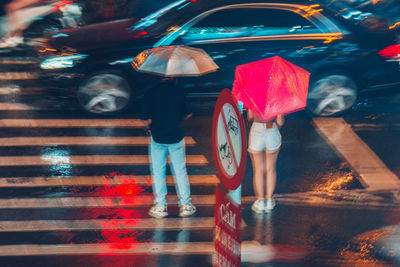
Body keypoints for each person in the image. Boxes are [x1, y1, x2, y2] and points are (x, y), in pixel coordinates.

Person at [141, 77, 196, 219]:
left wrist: (149, 125)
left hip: (158, 137)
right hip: (176, 136)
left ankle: (160, 206)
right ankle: (185, 205)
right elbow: (188, 113)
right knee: (180, 170)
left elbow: (144, 116)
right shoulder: (179, 91)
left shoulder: (151, 92)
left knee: (158, 171)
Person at [247, 109, 284, 213]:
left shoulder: (253, 95)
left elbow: (250, 116)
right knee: (271, 169)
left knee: (258, 169)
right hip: (272, 129)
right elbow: (280, 121)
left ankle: (260, 201)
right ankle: (269, 201)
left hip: (256, 130)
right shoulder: (277, 96)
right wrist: (276, 128)